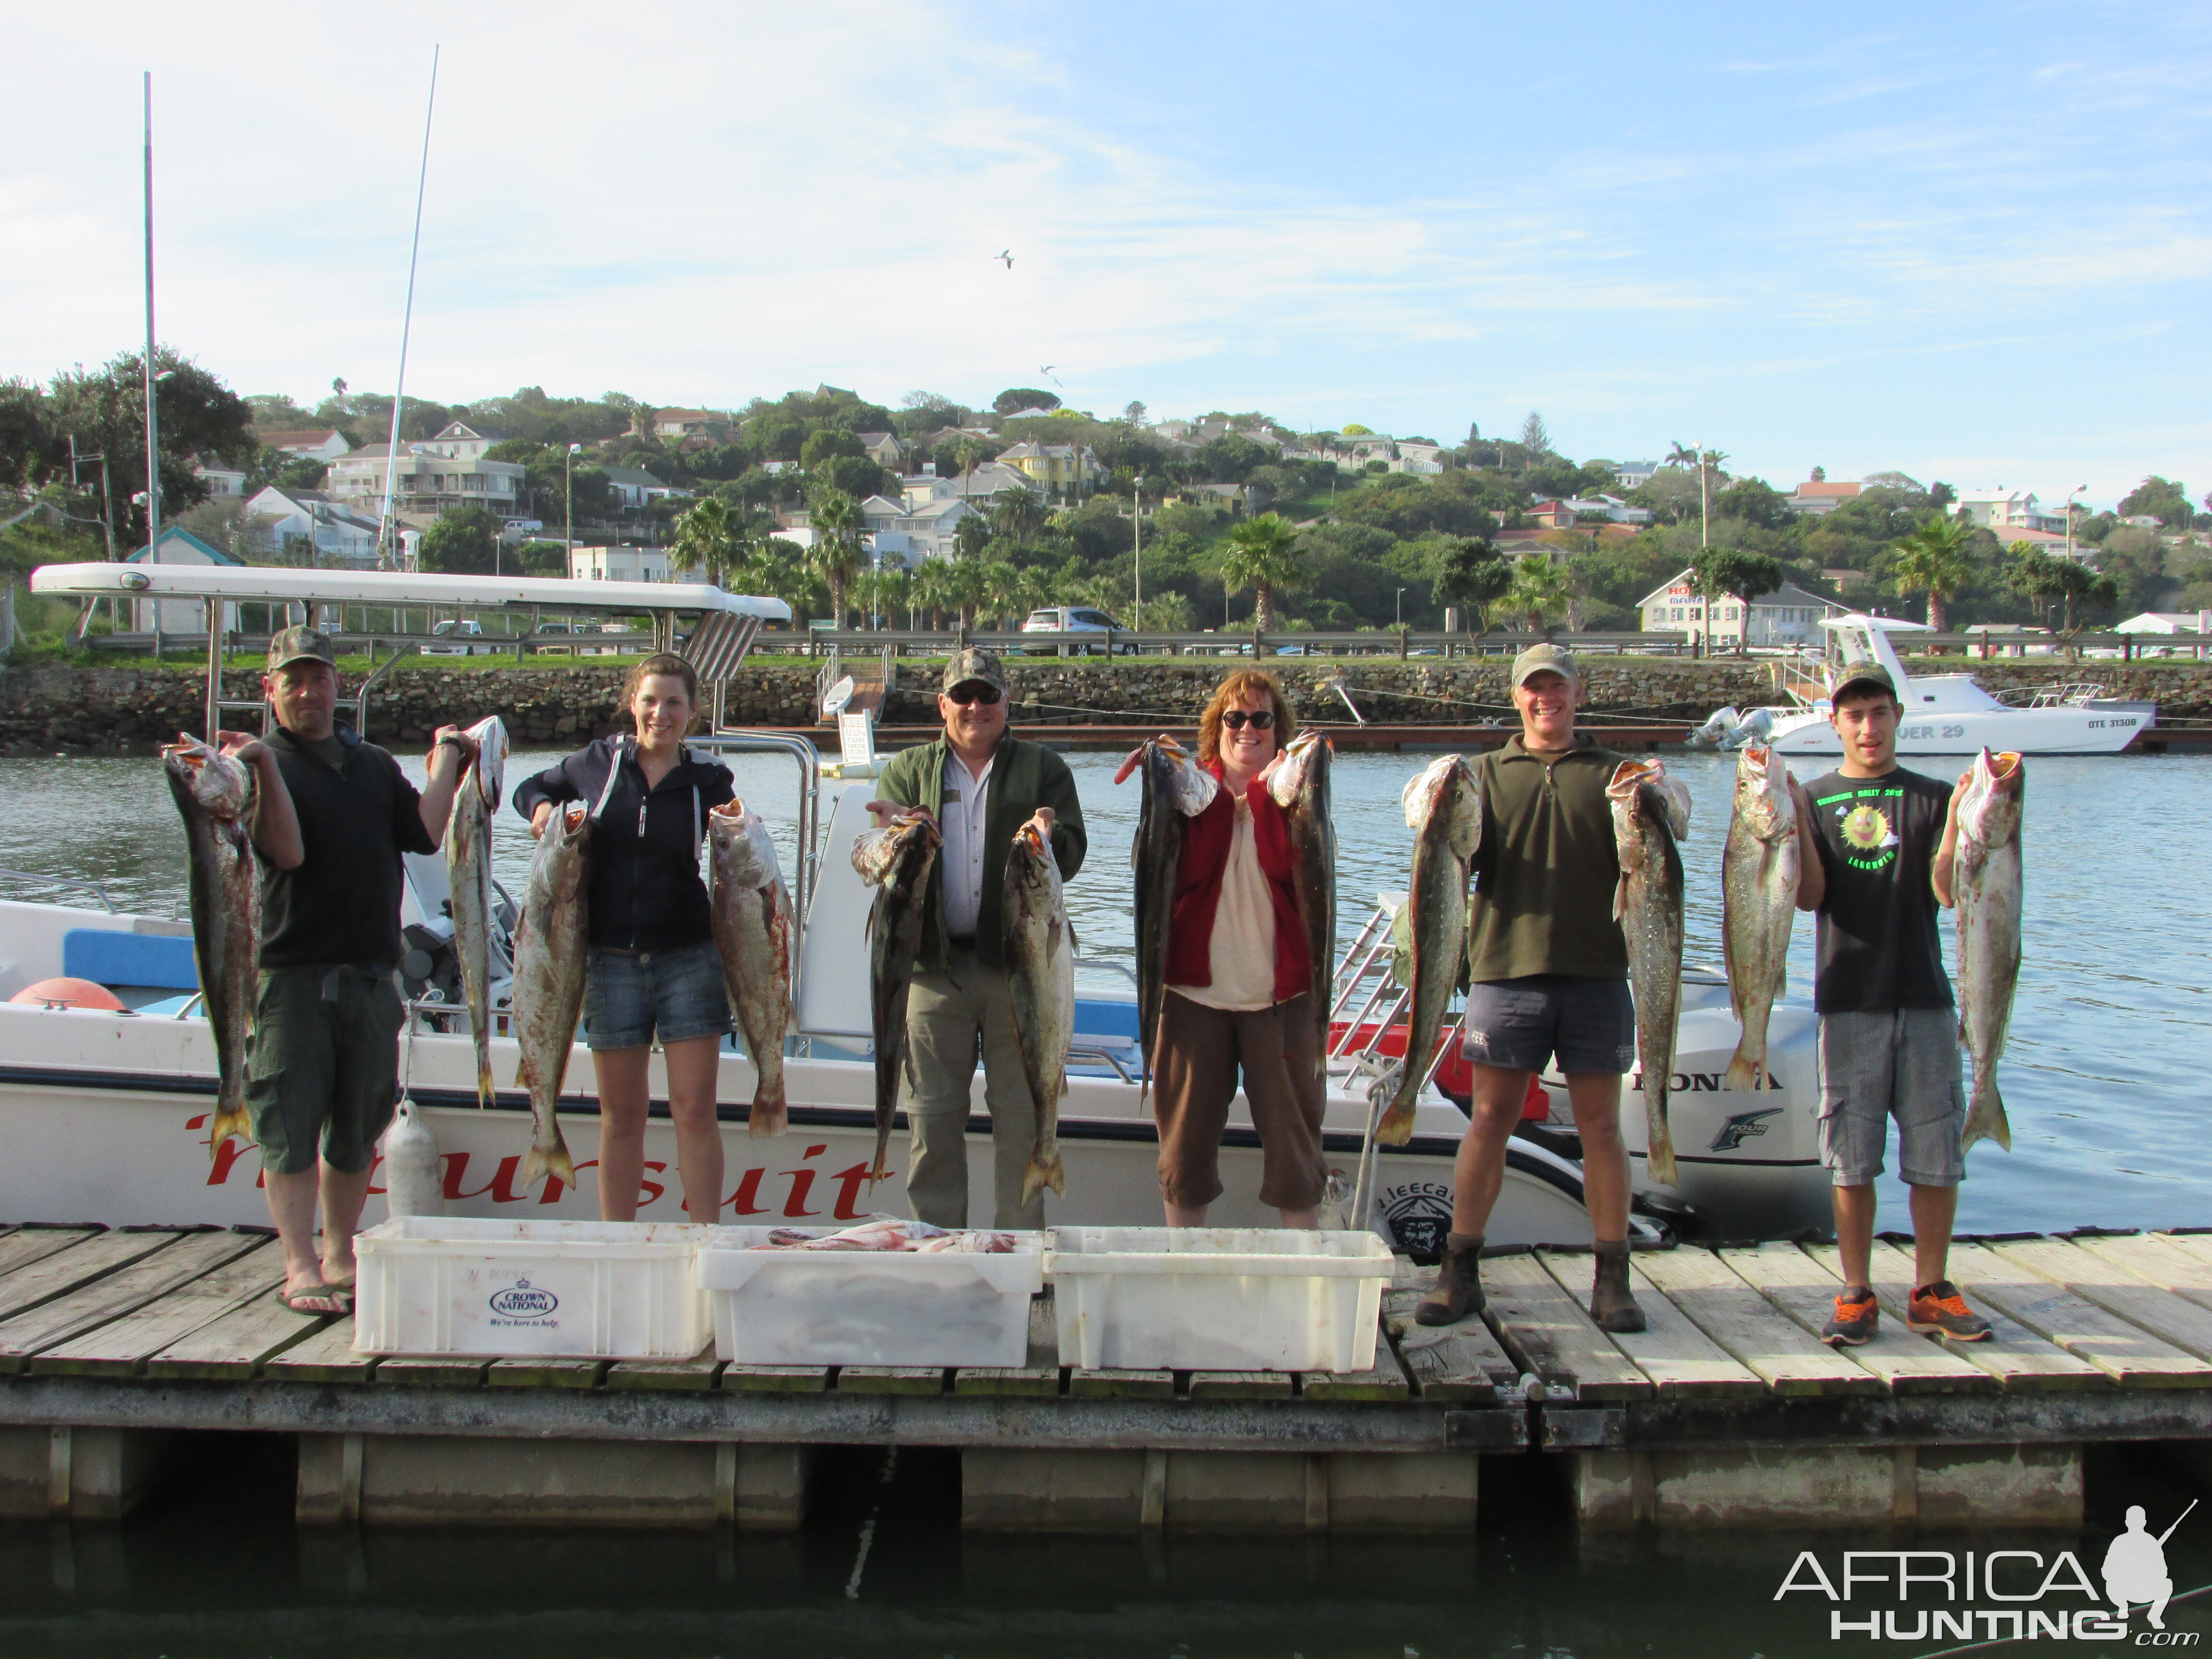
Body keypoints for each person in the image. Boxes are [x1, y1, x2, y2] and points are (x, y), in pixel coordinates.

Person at [218, 626, 474, 1316]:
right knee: (290, 1125)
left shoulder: (371, 765)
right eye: (292, 681)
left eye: (318, 678)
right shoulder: (250, 768)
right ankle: (299, 1264)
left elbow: (423, 832)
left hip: (369, 975)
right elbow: (287, 853)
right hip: (289, 975)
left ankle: (339, 1254)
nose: (308, 692)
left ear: (338, 684)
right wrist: (265, 769)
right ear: (269, 691)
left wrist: (450, 758)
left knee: (357, 1128)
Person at [1419, 643, 1646, 1333]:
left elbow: (1658, 849)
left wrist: (1657, 798)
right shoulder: (1483, 775)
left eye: (1558, 688)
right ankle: (1459, 1271)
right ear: (1517, 698)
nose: (1546, 699)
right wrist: (1427, 797)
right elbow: (1447, 849)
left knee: (1601, 1127)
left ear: (1580, 693)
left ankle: (1613, 1276)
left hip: (1598, 972)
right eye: (1533, 690)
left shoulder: (1617, 776)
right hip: (1502, 970)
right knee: (1489, 1120)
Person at [1796, 662, 1992, 1346]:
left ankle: (1931, 1287)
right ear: (1836, 723)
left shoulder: (1935, 796)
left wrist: (1966, 813)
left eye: (1879, 712)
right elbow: (1810, 897)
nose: (1868, 726)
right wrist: (1791, 816)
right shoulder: (1815, 798)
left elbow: (1947, 892)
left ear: (1897, 718)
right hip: (1848, 1000)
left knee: (1937, 1149)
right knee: (1851, 1156)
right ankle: (1856, 1291)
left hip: (1928, 999)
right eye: (1855, 715)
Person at [865, 647, 1085, 1229]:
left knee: (1021, 1117)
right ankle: (937, 1255)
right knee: (932, 1122)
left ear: (1006, 704)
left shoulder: (1044, 769)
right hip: (933, 971)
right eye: (962, 696)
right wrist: (891, 836)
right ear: (943, 705)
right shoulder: (907, 770)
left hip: (1023, 972)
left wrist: (1047, 839)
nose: (975, 707)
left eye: (988, 696)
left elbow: (1075, 850)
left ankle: (1020, 1262)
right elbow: (876, 858)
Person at [513, 653, 736, 1225]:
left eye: (675, 703)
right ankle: (620, 1243)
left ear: (693, 711)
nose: (661, 714)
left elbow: (741, 844)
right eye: (650, 701)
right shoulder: (597, 763)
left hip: (688, 958)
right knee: (622, 1114)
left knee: (694, 1110)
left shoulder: (709, 778)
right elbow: (531, 787)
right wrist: (542, 810)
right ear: (632, 703)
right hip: (608, 960)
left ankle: (705, 1240)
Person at [1113, 671, 1326, 1226]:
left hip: (1281, 1003)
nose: (1247, 729)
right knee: (1183, 1160)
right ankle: (1184, 1277)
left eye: (1261, 718)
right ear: (1217, 727)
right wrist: (1172, 780)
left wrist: (1262, 792)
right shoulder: (1188, 794)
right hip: (1192, 1000)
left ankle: (1304, 1290)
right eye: (1235, 718)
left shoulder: (1297, 795)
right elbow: (1189, 873)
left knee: (1297, 1163)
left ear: (1280, 730)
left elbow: (1286, 866)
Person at [2103, 1504, 2177, 1631]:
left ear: (2144, 1522)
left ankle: (2155, 1616)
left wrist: (2147, 1570)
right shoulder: (2119, 1541)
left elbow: (2163, 1571)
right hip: (2124, 1590)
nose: (2135, 1524)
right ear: (2127, 1522)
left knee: (2167, 1584)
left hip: (2145, 1590)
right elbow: (2106, 1570)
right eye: (2133, 1520)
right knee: (2111, 1583)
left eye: (2138, 1521)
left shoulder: (2151, 1542)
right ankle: (2122, 1607)